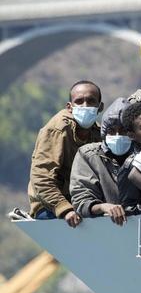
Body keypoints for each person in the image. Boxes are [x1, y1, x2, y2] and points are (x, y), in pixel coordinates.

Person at [28, 81, 102, 227]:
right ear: (69, 107)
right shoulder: (57, 130)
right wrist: (64, 209)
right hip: (50, 205)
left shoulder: (99, 133)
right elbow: (41, 176)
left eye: (91, 101)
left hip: (82, 202)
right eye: (79, 102)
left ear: (100, 107)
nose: (85, 106)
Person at [70, 98, 130, 226]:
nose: (118, 136)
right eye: (112, 131)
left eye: (124, 131)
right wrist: (103, 207)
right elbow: (81, 200)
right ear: (104, 133)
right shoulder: (88, 155)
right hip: (104, 227)